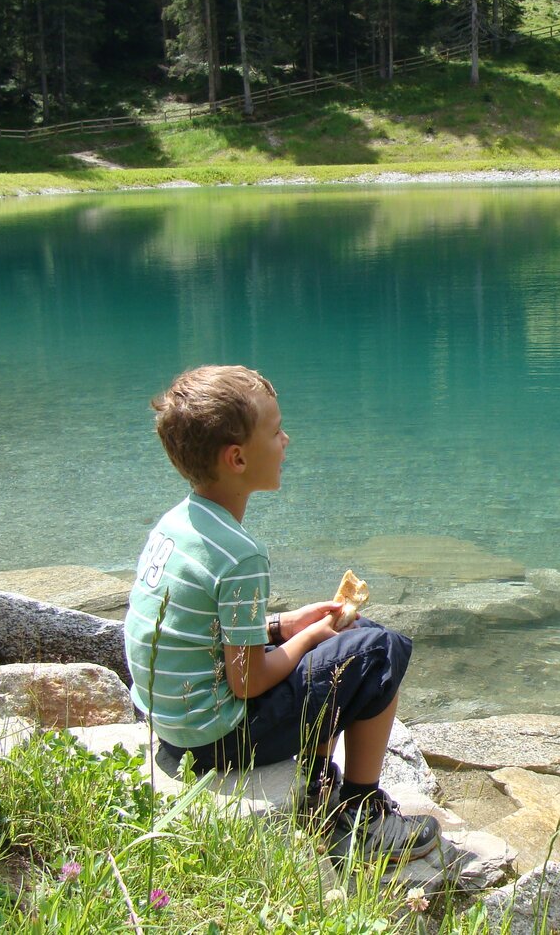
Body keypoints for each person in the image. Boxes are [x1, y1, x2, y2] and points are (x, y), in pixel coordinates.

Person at [124, 364, 440, 864]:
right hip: (217, 742)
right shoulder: (241, 553)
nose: (286, 440)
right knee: (380, 650)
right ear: (237, 458)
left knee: (356, 638)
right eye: (276, 432)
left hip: (170, 728)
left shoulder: (177, 525)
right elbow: (247, 680)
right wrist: (307, 639)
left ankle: (313, 786)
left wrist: (282, 625)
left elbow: (198, 630)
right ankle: (360, 816)